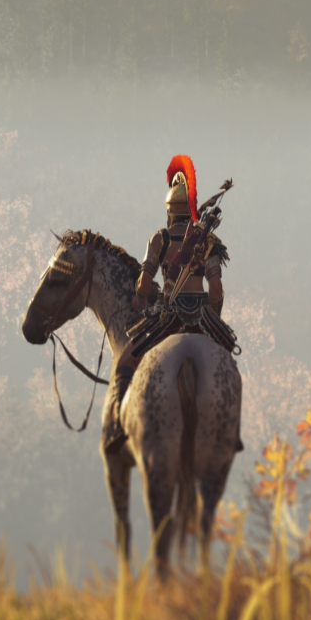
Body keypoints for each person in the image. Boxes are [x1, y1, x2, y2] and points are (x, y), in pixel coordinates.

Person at [105, 154, 236, 453]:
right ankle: (230, 428)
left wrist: (141, 297)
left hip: (168, 317)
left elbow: (144, 283)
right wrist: (213, 315)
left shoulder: (159, 240)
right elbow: (216, 288)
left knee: (126, 360)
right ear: (190, 210)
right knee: (228, 357)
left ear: (168, 211)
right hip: (202, 316)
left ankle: (118, 428)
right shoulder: (209, 242)